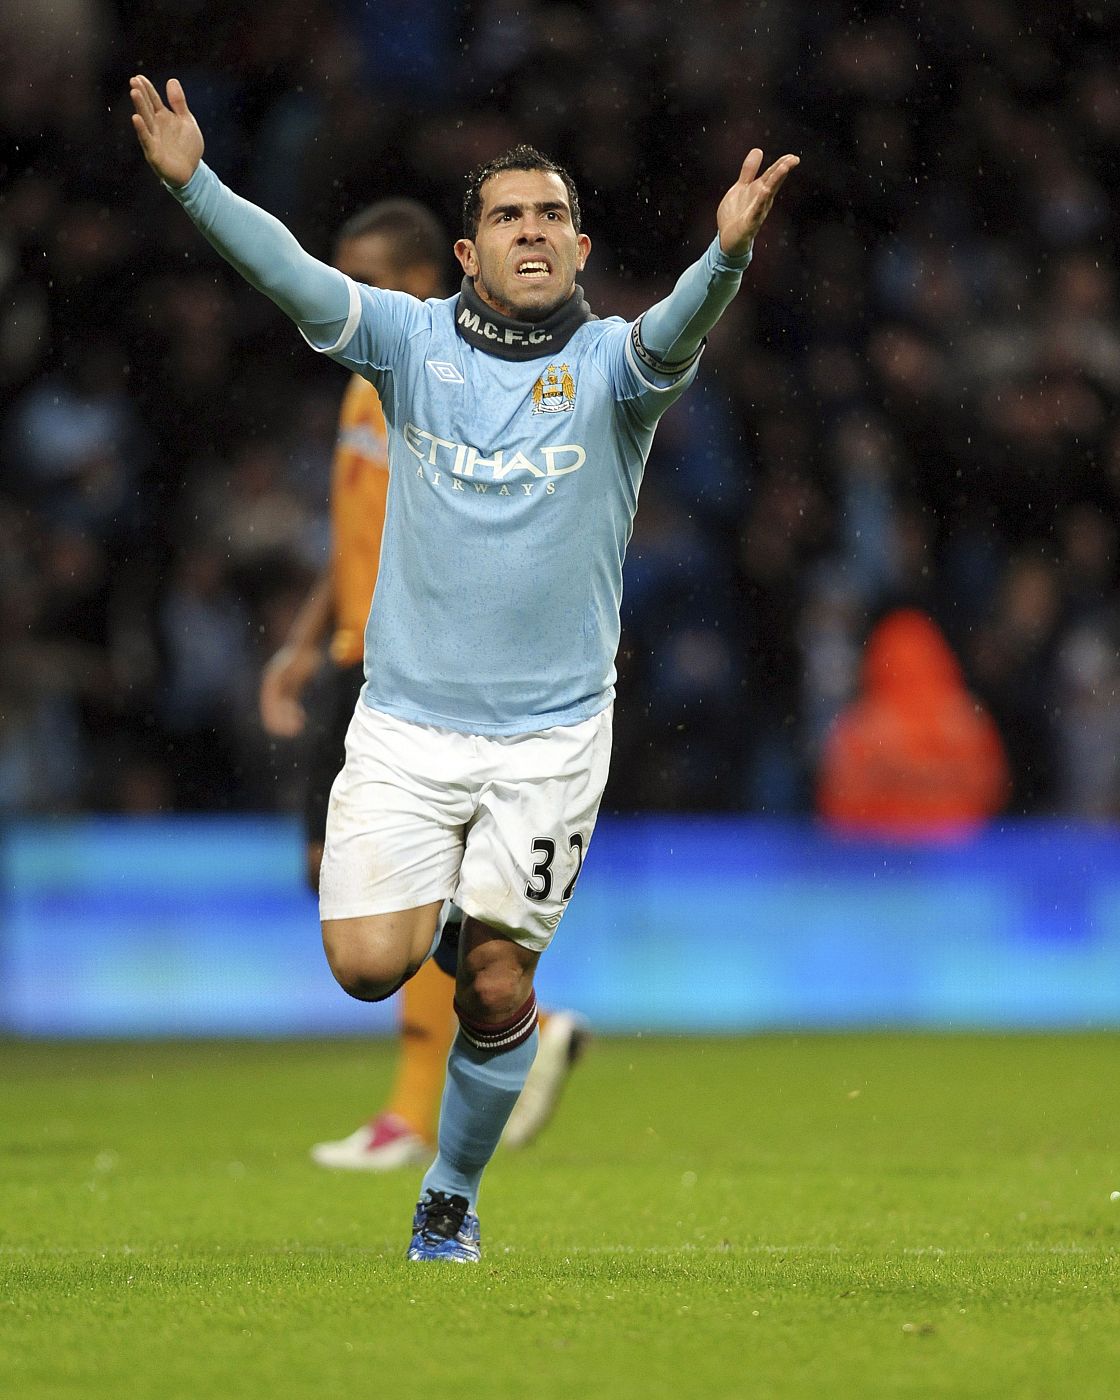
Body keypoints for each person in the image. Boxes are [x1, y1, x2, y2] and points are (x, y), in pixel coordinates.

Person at [129, 72, 798, 1262]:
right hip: (404, 726)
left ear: (581, 246)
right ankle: (463, 917)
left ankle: (450, 1189)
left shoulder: (611, 370)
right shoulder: (406, 342)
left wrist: (726, 257)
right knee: (364, 965)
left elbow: (678, 327)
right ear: (466, 249)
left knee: (492, 985)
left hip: (549, 739)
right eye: (508, 216)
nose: (531, 232)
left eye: (551, 216)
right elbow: (291, 272)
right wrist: (195, 186)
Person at [258, 199, 588, 1169]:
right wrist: (301, 642)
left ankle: (420, 1101)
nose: (343, 289)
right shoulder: (365, 384)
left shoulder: (431, 382)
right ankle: (507, 1022)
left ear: (413, 281)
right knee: (336, 877)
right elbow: (355, 525)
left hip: (402, 662)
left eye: (361, 274)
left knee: (390, 884)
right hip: (350, 647)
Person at [817, 608, 1010, 838]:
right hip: (955, 854)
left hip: (874, 858)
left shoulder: (861, 725)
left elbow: (837, 800)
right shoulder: (965, 720)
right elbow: (991, 789)